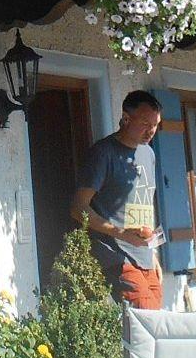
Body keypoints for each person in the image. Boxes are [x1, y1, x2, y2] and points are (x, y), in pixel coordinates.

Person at [69, 89, 167, 310]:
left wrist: (152, 253)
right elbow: (78, 208)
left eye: (155, 124)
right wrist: (122, 234)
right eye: (145, 123)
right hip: (116, 254)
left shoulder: (148, 154)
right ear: (126, 118)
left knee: (157, 322)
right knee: (146, 319)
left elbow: (143, 205)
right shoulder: (103, 153)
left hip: (145, 256)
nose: (151, 130)